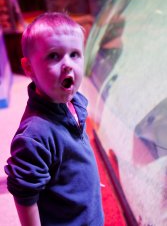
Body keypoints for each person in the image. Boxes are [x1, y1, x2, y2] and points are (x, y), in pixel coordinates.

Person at [4, 12, 104, 226]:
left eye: (75, 54)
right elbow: (24, 193)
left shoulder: (74, 101)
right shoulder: (35, 135)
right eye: (54, 56)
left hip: (89, 213)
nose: (68, 64)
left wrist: (87, 181)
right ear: (29, 68)